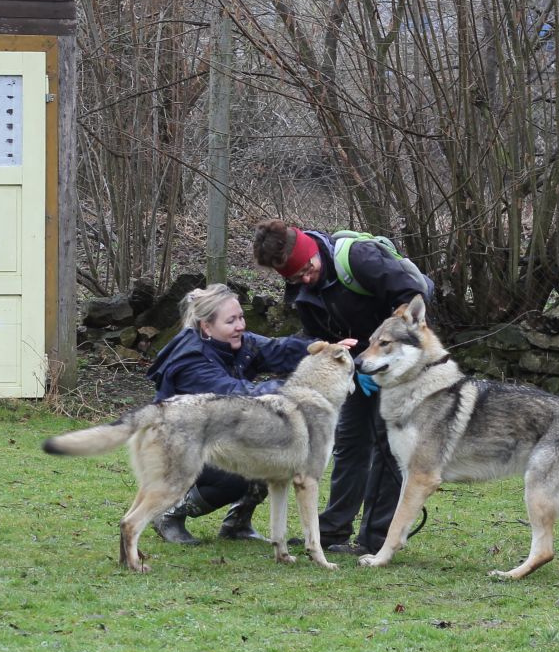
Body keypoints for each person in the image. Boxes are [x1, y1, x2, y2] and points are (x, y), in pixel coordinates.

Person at [253, 219, 433, 555]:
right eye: (295, 278)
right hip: (356, 369)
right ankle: (333, 530)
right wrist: (352, 366)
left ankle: (376, 538)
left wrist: (386, 359)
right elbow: (320, 336)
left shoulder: (360, 258)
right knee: (350, 441)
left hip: (396, 364)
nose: (305, 279)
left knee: (388, 446)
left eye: (308, 269)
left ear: (310, 249)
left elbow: (413, 299)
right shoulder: (302, 290)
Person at [146, 283, 327, 544]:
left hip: (216, 437)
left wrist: (324, 349)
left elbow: (280, 350)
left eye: (241, 317)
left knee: (271, 451)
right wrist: (297, 389)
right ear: (207, 327)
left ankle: (237, 524)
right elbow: (236, 394)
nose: (241, 325)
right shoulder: (191, 361)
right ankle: (168, 513)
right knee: (238, 473)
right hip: (178, 448)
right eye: (231, 321)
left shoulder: (235, 342)